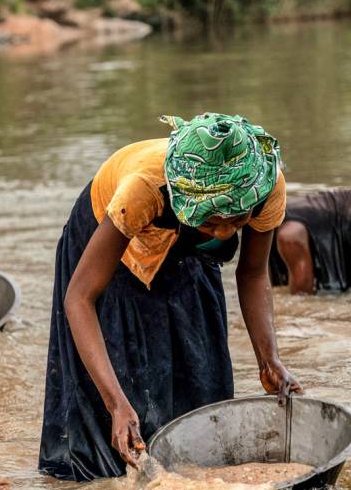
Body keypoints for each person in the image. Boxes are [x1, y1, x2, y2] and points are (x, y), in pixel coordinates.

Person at [39, 112, 303, 481]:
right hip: (109, 237)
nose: (225, 231)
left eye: (237, 219)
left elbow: (254, 272)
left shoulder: (263, 184)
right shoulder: (144, 187)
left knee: (201, 377)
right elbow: (79, 299)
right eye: (210, 221)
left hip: (185, 248)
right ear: (185, 201)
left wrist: (269, 358)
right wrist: (116, 404)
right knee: (116, 403)